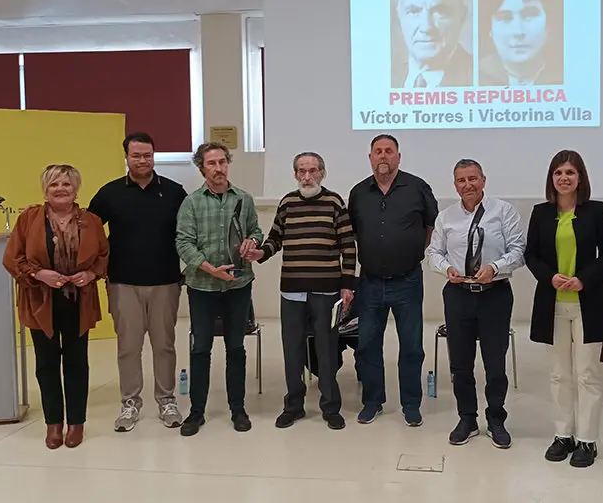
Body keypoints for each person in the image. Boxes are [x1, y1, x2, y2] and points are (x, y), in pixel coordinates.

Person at [244, 152, 356, 431]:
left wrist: (347, 285)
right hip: (292, 292)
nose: (308, 176)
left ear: (323, 173)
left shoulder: (334, 202)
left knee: (327, 350)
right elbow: (274, 239)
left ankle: (330, 407)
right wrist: (261, 253)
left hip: (327, 292)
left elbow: (348, 246)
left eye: (313, 170)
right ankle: (293, 406)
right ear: (295, 174)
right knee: (292, 351)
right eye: (302, 171)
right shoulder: (287, 203)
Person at [3, 164, 109, 449]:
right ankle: (53, 424)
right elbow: (13, 258)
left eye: (66, 184)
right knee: (46, 365)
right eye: (54, 185)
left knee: (77, 364)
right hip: (41, 301)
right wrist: (39, 274)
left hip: (78, 301)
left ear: (76, 189)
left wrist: (91, 274)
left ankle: (76, 423)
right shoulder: (28, 219)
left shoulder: (92, 221)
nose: (61, 189)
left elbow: (103, 255)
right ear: (45, 190)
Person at [524, 150, 603, 467]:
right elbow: (531, 255)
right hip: (553, 305)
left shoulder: (595, 211)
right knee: (559, 375)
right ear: (551, 179)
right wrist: (549, 276)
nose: (564, 178)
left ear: (580, 178)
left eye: (570, 172)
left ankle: (587, 440)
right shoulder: (540, 213)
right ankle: (563, 435)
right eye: (558, 172)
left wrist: (584, 279)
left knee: (587, 374)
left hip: (586, 304)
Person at [88, 132, 187, 432]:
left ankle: (167, 400)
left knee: (164, 345)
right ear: (126, 157)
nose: (143, 160)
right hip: (122, 283)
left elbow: (190, 234)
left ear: (154, 156)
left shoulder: (174, 192)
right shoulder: (109, 194)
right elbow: (89, 233)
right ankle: (130, 402)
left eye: (148, 155)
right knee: (128, 347)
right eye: (136, 155)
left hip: (165, 282)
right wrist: (95, 268)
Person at [427, 159, 524, 449]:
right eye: (461, 180)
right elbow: (434, 252)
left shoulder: (504, 211)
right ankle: (467, 418)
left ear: (483, 180)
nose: (467, 185)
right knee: (461, 363)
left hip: (495, 294)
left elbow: (518, 251)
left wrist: (495, 266)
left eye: (472, 179)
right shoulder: (446, 217)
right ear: (454, 184)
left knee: (495, 363)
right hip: (458, 295)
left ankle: (496, 419)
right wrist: (447, 270)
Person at [348, 134, 438, 426]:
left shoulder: (417, 187)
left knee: (411, 345)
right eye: (378, 151)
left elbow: (431, 226)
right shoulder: (359, 192)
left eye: (389, 151)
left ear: (399, 156)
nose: (383, 156)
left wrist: (412, 250)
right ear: (370, 157)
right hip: (370, 282)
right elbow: (354, 232)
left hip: (408, 281)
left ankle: (411, 403)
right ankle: (373, 401)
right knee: (367, 345)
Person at [175, 142, 263, 436]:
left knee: (236, 348)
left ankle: (238, 409)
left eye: (223, 161)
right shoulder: (191, 203)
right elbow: (183, 242)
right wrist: (210, 269)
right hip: (202, 286)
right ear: (202, 168)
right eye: (211, 163)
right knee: (201, 348)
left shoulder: (245, 199)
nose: (219, 168)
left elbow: (255, 231)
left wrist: (252, 243)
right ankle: (196, 412)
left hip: (238, 285)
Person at [478, 0, 564, 86]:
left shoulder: (570, 73)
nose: (518, 31)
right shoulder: (473, 75)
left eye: (529, 16)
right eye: (505, 18)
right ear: (490, 29)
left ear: (549, 24)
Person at [392, 0, 473, 88]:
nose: (426, 27)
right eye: (414, 11)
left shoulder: (481, 80)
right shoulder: (382, 80)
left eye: (440, 12)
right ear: (399, 17)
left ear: (462, 16)